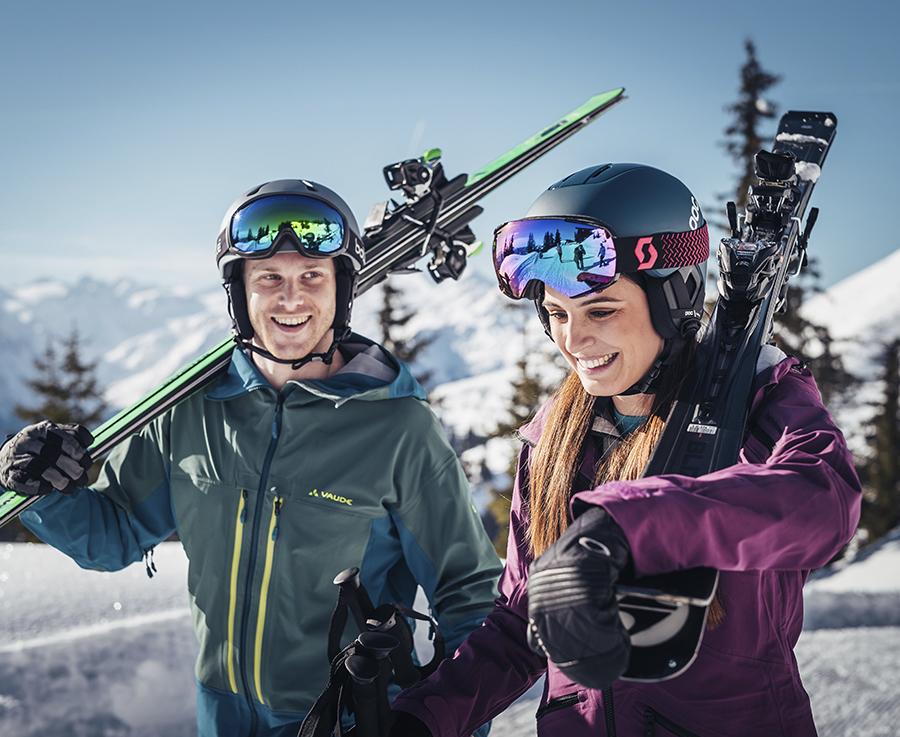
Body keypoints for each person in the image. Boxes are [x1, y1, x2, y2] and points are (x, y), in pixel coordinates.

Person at [0, 179, 502, 737]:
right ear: (239, 290)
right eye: (269, 278)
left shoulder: (398, 427)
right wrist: (42, 488)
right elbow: (113, 535)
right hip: (221, 716)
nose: (291, 299)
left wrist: (441, 720)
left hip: (348, 716)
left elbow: (470, 592)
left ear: (341, 289)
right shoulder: (189, 410)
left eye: (312, 276)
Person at [389, 164, 861, 736]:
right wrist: (420, 718)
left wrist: (631, 526)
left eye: (601, 310)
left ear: (674, 299)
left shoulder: (759, 400)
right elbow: (520, 622)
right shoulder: (554, 439)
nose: (573, 339)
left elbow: (824, 502)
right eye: (556, 314)